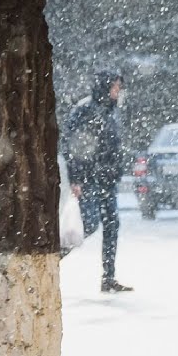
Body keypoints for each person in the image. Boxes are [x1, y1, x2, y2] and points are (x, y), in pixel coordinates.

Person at [63, 70, 132, 292]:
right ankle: (50, 258)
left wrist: (116, 169)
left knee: (112, 225)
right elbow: (73, 147)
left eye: (119, 88)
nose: (118, 92)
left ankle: (108, 277)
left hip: (107, 180)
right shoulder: (85, 110)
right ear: (105, 87)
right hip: (89, 180)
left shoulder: (112, 111)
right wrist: (76, 179)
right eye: (115, 87)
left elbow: (113, 146)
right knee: (88, 225)